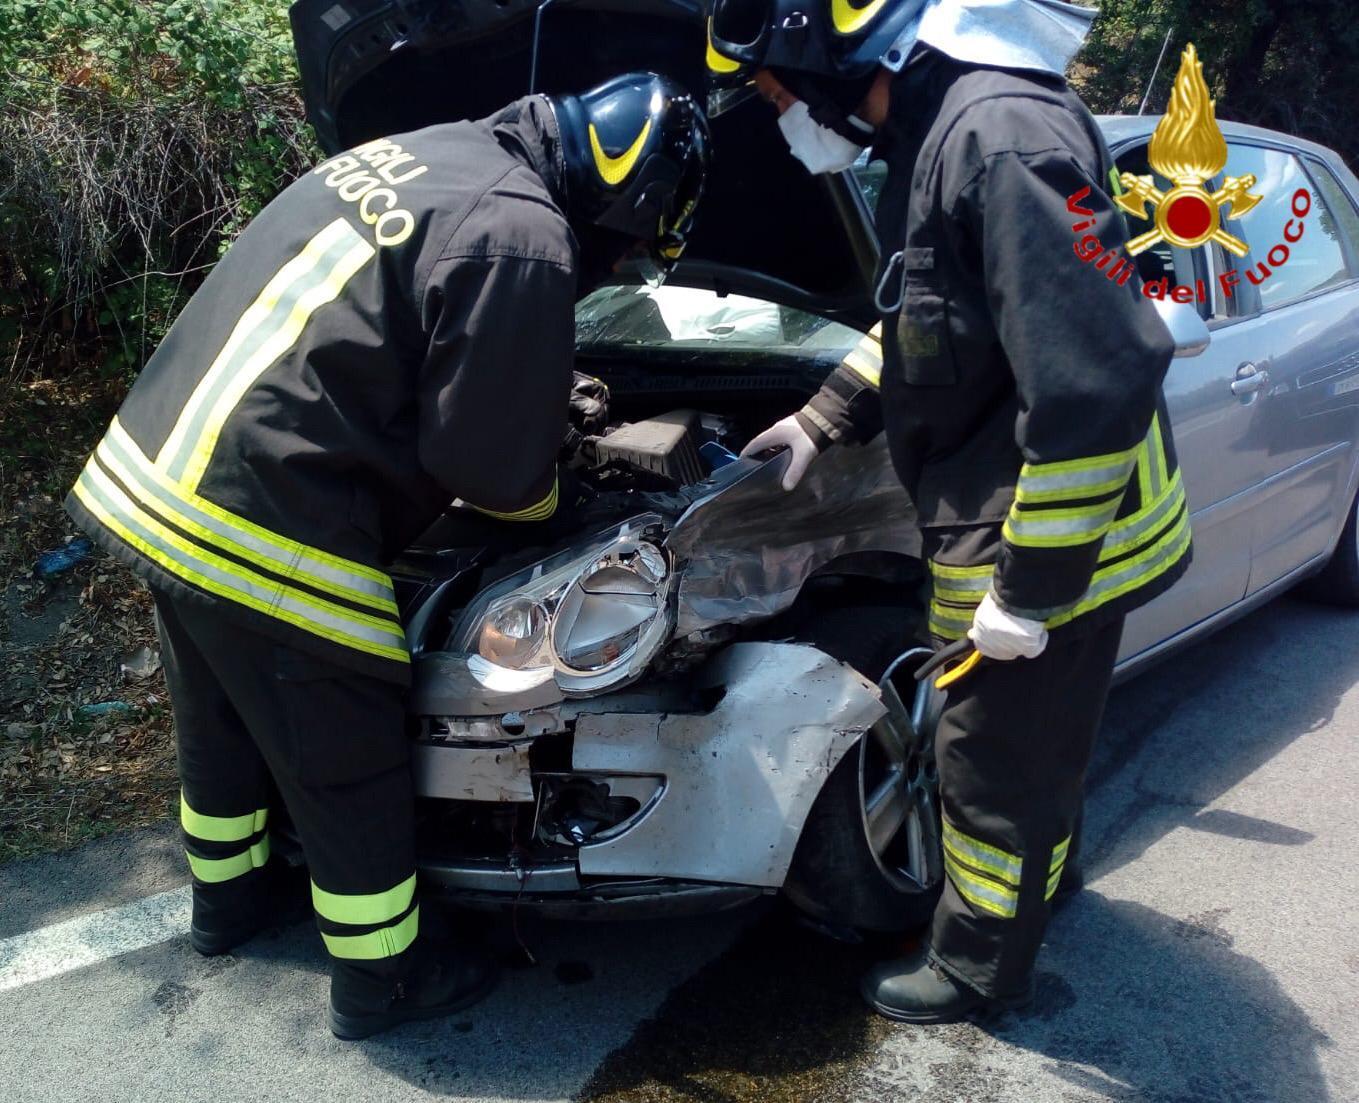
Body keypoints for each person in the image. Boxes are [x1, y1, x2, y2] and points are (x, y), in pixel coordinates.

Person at [64, 72, 710, 1040]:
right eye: (625, 252)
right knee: (343, 717)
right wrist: (565, 494)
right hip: (268, 501)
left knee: (223, 709)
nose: (612, 269)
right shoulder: (526, 232)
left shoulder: (443, 147)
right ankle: (386, 973)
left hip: (166, 468)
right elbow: (485, 466)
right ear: (628, 203)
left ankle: (230, 899)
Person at [709, 0, 1192, 1021]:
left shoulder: (1000, 137)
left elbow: (1098, 375)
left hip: (1055, 539)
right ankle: (1033, 895)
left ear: (835, 55)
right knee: (1036, 753)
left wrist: (1029, 591)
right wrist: (821, 414)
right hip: (1014, 523)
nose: (778, 111)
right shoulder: (934, 135)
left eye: (776, 88)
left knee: (989, 767)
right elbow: (928, 315)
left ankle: (976, 965)